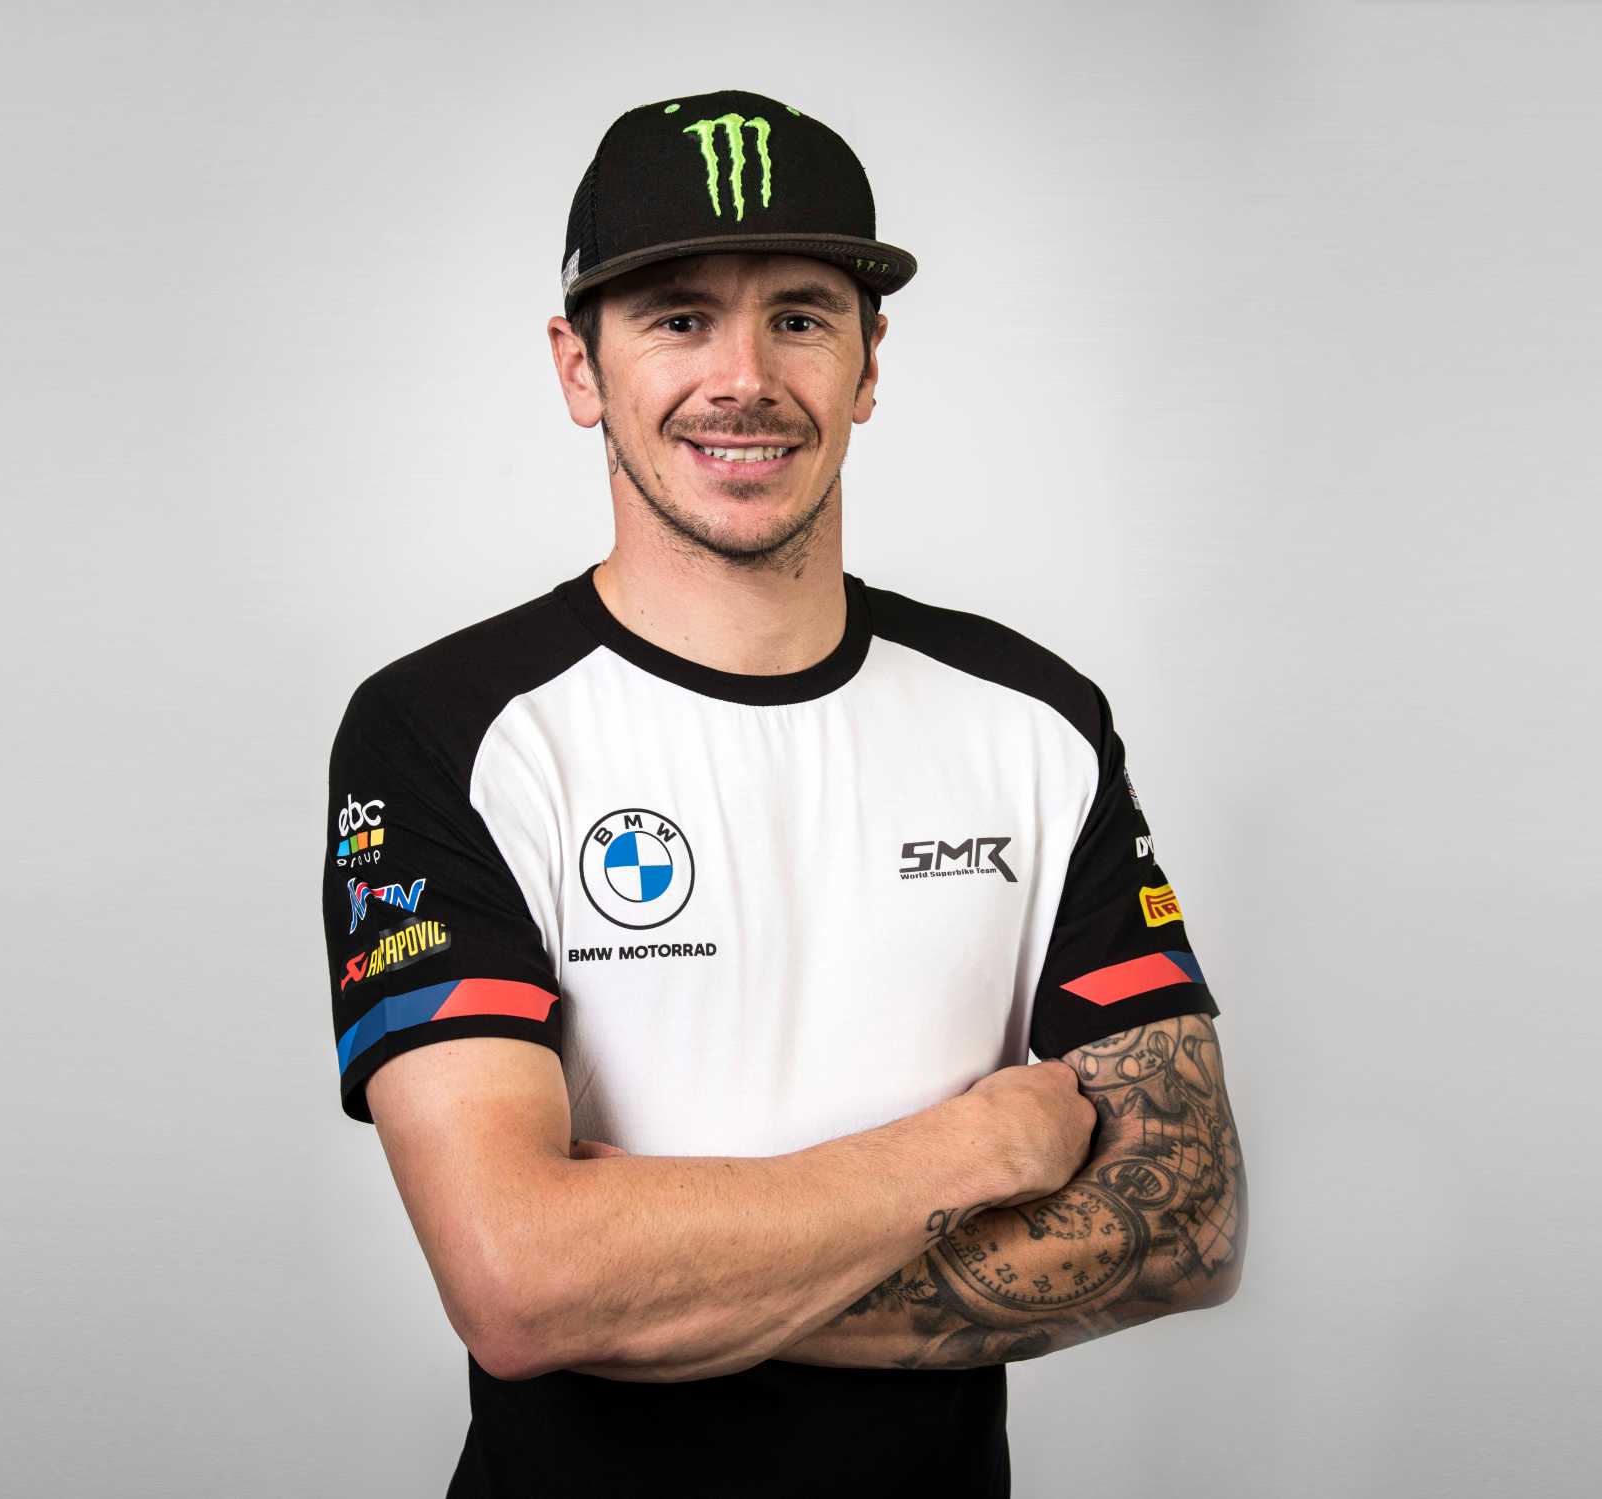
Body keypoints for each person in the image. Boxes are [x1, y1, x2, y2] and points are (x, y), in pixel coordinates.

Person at [320, 87, 1247, 1499]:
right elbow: (519, 1285)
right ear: (580, 368)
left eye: (801, 317)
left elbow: (1186, 1223)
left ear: (869, 365)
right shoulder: (444, 728)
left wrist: (647, 1289)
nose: (743, 378)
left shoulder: (1035, 719)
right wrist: (976, 1144)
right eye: (678, 318)